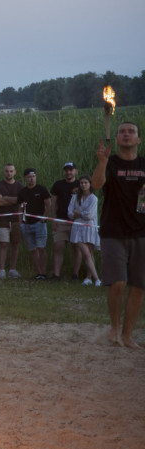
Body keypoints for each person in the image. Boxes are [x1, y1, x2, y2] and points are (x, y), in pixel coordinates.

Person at [91, 122, 145, 348]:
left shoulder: (143, 164)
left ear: (138, 140)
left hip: (141, 232)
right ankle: (114, 329)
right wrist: (102, 161)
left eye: (131, 131)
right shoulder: (110, 163)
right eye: (122, 131)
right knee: (118, 283)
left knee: (139, 286)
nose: (126, 134)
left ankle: (127, 335)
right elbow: (95, 185)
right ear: (117, 137)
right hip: (113, 231)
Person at [18, 168, 53, 280]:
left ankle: (44, 273)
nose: (31, 179)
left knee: (41, 248)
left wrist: (44, 217)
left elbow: (49, 204)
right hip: (26, 224)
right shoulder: (22, 192)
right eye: (29, 177)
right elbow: (20, 210)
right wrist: (20, 224)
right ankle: (38, 273)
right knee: (33, 249)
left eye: (33, 176)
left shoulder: (41, 189)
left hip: (39, 223)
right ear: (25, 178)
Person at [68, 176, 101, 286]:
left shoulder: (93, 198)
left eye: (85, 182)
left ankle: (89, 277)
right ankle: (97, 279)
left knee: (90, 253)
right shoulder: (75, 197)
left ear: (90, 184)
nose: (83, 185)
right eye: (81, 183)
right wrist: (80, 214)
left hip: (90, 227)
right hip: (78, 227)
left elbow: (90, 215)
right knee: (86, 253)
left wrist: (79, 213)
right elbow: (70, 213)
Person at [0, 163, 24, 279]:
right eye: (7, 171)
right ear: (3, 172)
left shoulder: (20, 186)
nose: (9, 173)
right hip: (3, 219)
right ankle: (1, 270)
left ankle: (12, 269)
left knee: (15, 244)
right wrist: (15, 200)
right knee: (4, 244)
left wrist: (6, 198)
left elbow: (21, 201)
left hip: (16, 219)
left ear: (15, 172)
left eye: (11, 171)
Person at [50, 162, 80, 279]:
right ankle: (56, 274)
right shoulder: (58, 185)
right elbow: (53, 203)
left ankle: (75, 274)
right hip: (61, 220)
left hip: (76, 221)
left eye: (71, 170)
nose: (68, 172)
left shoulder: (80, 184)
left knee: (76, 248)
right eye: (66, 170)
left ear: (75, 171)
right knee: (58, 247)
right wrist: (53, 219)